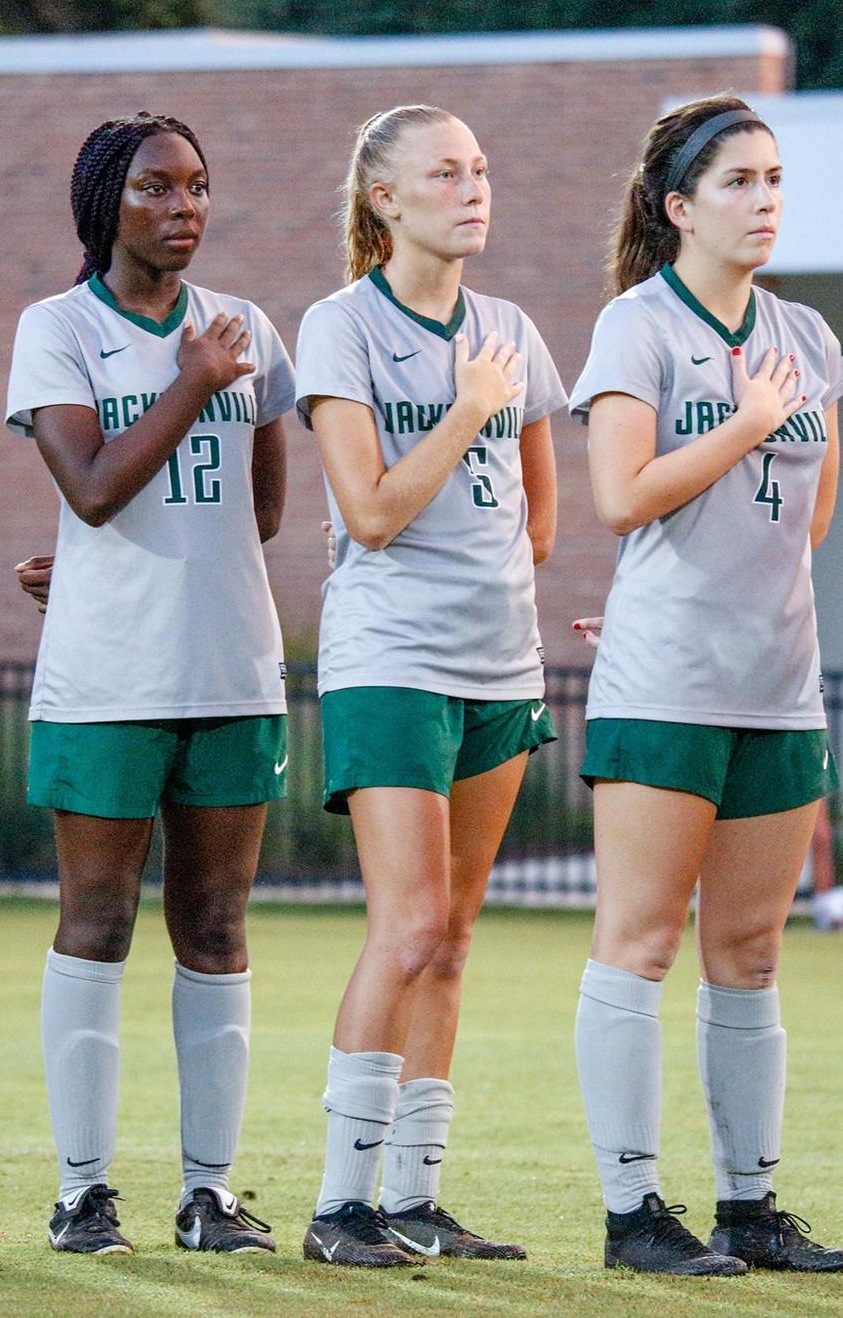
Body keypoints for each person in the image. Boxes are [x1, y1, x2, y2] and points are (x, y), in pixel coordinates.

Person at [568, 95, 843, 1278]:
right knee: (639, 941)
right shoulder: (634, 327)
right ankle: (632, 1211)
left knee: (747, 952)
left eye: (775, 180)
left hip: (777, 684)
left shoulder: (805, 334)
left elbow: (816, 516)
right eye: (738, 182)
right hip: (663, 682)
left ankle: (749, 1206)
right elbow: (619, 495)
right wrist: (745, 423)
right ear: (678, 207)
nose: (763, 202)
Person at [6, 112, 292, 1257]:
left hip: (229, 666)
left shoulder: (248, 328)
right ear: (102, 207)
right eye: (156, 188)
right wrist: (189, 386)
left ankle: (208, 1194)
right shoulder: (56, 326)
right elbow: (87, 489)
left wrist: (213, 381)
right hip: (106, 675)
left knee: (216, 925)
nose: (184, 207)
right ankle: (83, 1193)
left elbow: (260, 512)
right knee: (98, 920)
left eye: (199, 187)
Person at [294, 104, 562, 1268]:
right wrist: (462, 410)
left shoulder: (509, 328)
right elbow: (369, 511)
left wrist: (488, 529)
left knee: (451, 936)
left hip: (497, 662)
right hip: (388, 661)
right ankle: (338, 1204)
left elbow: (539, 518)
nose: (472, 188)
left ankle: (413, 1195)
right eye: (443, 172)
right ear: (382, 199)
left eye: (481, 167)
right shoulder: (339, 325)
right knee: (403, 926)